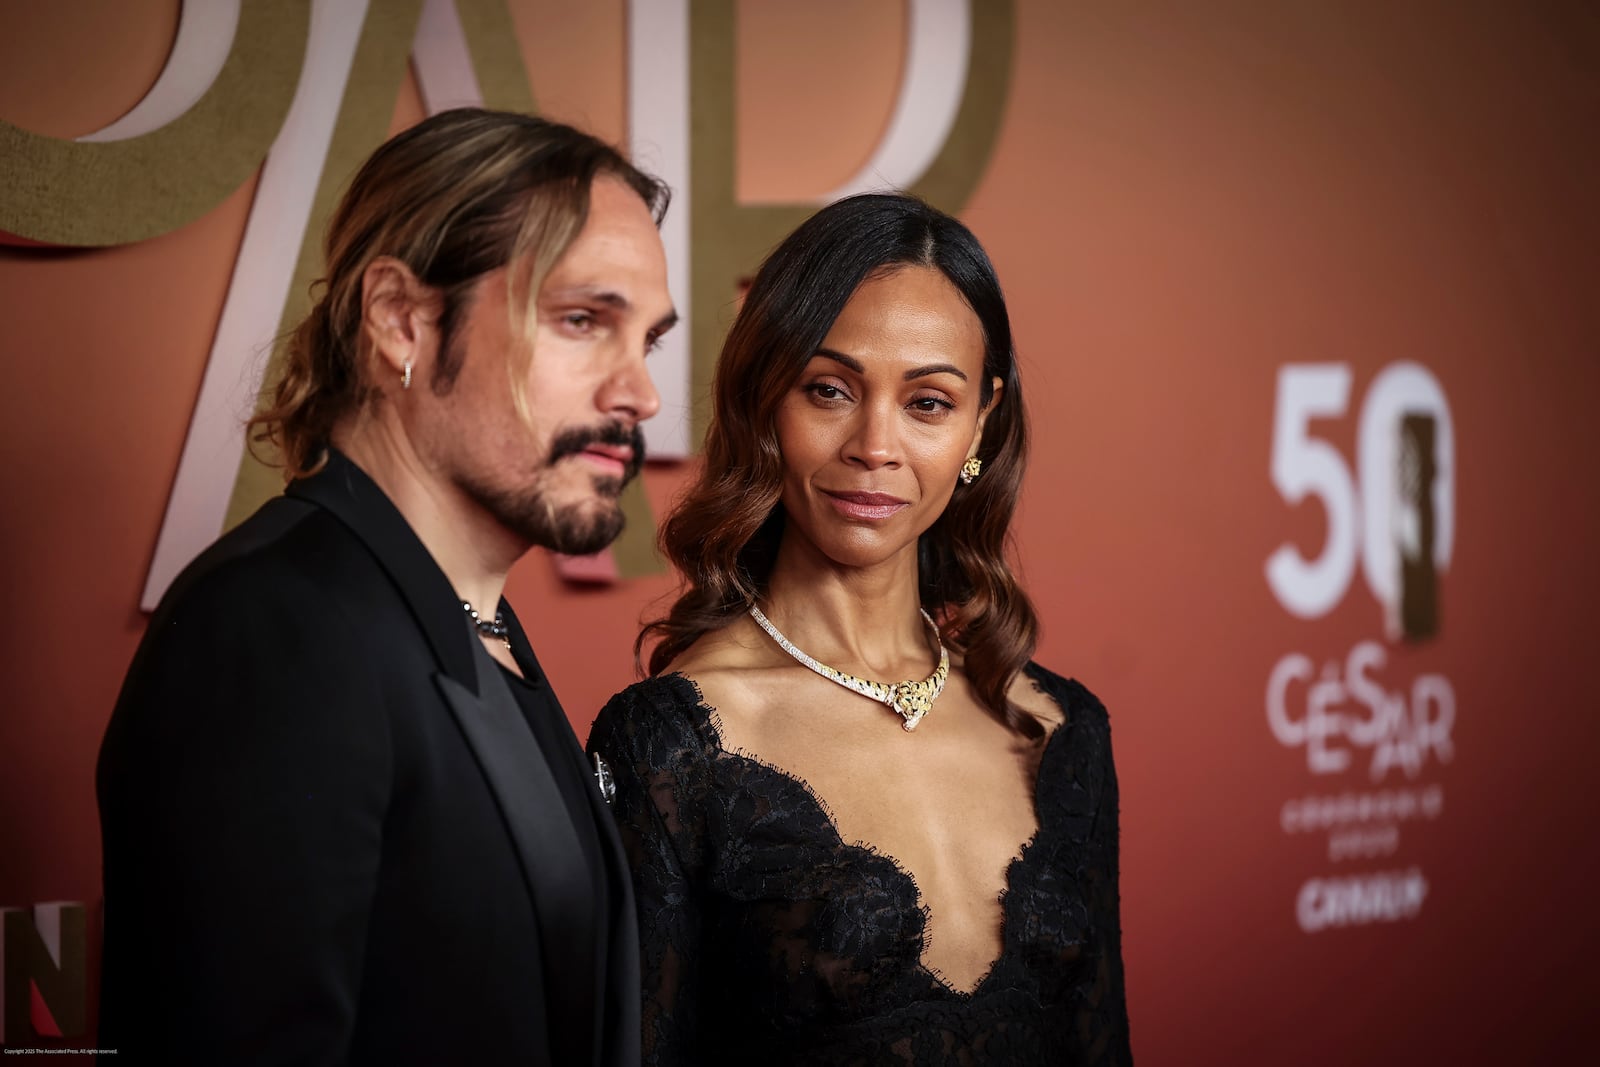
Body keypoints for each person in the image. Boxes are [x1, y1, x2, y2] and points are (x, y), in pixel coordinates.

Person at [97, 108, 677, 1065]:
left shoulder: (467, 623)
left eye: (646, 340)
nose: (641, 394)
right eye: (582, 321)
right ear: (403, 319)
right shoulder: (276, 628)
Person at [588, 193, 1131, 1065]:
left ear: (980, 421)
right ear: (768, 398)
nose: (874, 445)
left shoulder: (1063, 730)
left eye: (928, 403)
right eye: (830, 390)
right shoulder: (673, 746)